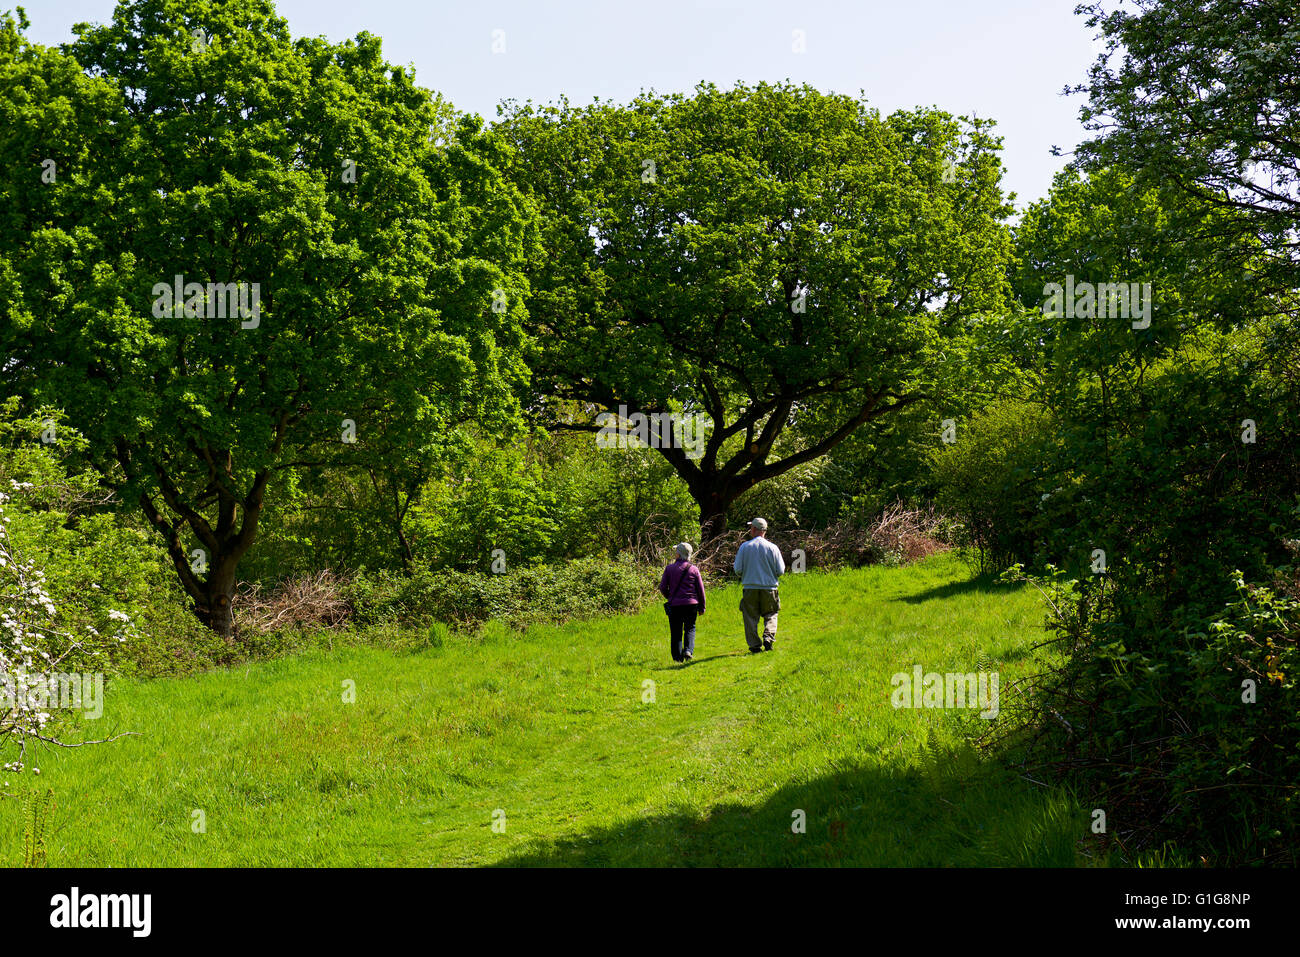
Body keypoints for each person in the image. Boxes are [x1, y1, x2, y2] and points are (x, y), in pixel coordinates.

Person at [733, 517, 785, 653]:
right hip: (769, 587)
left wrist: (746, 574)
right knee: (771, 614)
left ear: (755, 529)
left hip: (750, 587)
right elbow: (780, 571)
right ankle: (768, 637)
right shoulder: (773, 548)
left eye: (751, 528)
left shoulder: (744, 547)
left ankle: (755, 645)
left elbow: (737, 570)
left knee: (750, 617)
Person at [659, 542, 706, 663]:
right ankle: (688, 651)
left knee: (676, 631)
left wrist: (669, 597)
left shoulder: (669, 569)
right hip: (692, 604)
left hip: (675, 605)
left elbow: (662, 587)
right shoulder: (694, 569)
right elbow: (700, 590)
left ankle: (677, 659)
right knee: (690, 628)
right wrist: (702, 607)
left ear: (678, 554)